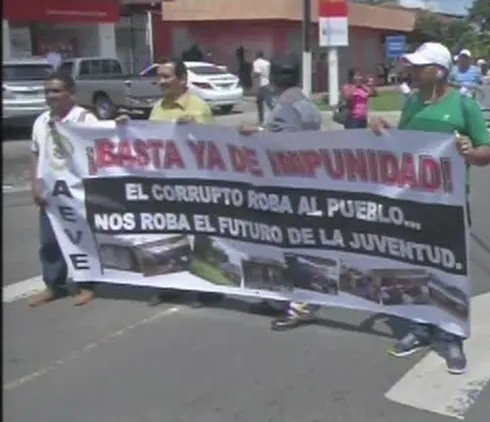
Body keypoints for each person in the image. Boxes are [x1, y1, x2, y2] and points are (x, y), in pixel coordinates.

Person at [370, 42, 490, 374]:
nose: (411, 70)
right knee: (414, 264)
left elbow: (487, 152)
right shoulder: (412, 102)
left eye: (418, 66)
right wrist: (384, 132)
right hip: (414, 201)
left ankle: (451, 335)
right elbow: (405, 145)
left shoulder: (464, 105)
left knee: (448, 269)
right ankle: (420, 326)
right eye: (411, 65)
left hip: (449, 203)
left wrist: (470, 152)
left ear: (438, 71)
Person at [115, 58, 218, 308]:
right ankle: (172, 285)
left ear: (182, 79)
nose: (161, 82)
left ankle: (207, 291)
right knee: (169, 234)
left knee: (199, 236)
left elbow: (214, 147)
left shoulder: (199, 108)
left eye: (166, 77)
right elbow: (149, 142)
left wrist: (194, 129)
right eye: (159, 77)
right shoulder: (158, 108)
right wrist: (128, 128)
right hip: (165, 185)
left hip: (195, 184)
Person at [238, 54, 325, 330]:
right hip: (304, 182)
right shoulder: (307, 103)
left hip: (290, 185)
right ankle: (280, 298)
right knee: (286, 244)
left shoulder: (286, 105)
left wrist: (255, 132)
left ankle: (303, 305)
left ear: (274, 78)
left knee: (294, 247)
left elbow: (283, 141)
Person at [28, 72, 98, 307]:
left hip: (77, 192)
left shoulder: (85, 119)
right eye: (47, 91)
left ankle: (86, 284)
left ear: (72, 93)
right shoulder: (41, 121)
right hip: (52, 192)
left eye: (57, 91)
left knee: (81, 238)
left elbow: (97, 151)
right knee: (50, 241)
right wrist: (35, 182)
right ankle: (54, 285)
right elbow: (35, 152)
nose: (51, 96)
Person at [252, 51, 274, 124]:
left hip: (261, 85)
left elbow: (257, 73)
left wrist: (253, 76)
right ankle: (261, 120)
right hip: (267, 83)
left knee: (266, 103)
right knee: (263, 102)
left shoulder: (256, 63)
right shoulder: (267, 63)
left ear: (256, 55)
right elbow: (270, 73)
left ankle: (262, 119)